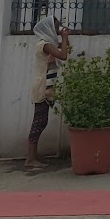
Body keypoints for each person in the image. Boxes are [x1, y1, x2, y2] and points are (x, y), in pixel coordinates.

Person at [25, 14, 70, 170]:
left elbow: (65, 50)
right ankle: (30, 158)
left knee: (41, 121)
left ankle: (33, 156)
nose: (58, 31)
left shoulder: (47, 44)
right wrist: (64, 37)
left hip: (45, 85)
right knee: (39, 122)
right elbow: (63, 56)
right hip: (43, 87)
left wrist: (64, 39)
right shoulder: (45, 45)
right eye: (56, 28)